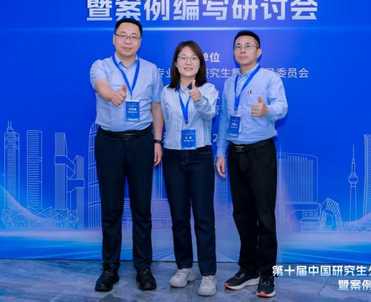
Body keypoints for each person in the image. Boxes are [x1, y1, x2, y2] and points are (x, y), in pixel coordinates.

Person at [90, 17, 164, 292]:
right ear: (114, 39)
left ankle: (143, 267)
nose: (128, 40)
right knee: (111, 208)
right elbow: (101, 86)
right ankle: (110, 268)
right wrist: (112, 95)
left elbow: (156, 108)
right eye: (123, 35)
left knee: (142, 208)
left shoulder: (151, 70)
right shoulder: (101, 66)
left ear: (140, 42)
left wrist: (157, 141)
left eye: (134, 36)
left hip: (142, 141)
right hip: (109, 143)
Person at [215, 30, 288, 298]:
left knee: (264, 215)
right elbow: (225, 119)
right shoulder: (229, 82)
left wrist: (267, 110)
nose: (243, 50)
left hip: (260, 152)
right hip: (236, 154)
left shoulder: (270, 78)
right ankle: (248, 269)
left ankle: (267, 273)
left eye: (249, 45)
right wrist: (221, 152)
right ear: (234, 52)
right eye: (238, 46)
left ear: (259, 51)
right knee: (242, 214)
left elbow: (282, 107)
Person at [160, 41, 219, 297]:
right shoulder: (166, 92)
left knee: (204, 218)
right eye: (183, 57)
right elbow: (165, 120)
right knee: (179, 217)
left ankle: (208, 274)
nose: (188, 62)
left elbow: (209, 114)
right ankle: (184, 268)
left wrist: (198, 99)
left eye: (193, 58)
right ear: (175, 63)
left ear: (200, 64)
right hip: (173, 156)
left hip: (200, 156)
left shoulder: (209, 89)